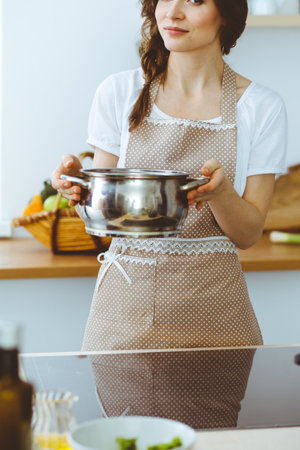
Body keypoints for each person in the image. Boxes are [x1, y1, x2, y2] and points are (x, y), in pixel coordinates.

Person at [52, 0, 287, 351]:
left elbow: (248, 233)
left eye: (194, 0)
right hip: (122, 316)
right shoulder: (119, 93)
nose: (172, 12)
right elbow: (108, 220)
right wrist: (82, 188)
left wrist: (220, 195)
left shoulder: (260, 107)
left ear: (226, 13)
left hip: (216, 319)